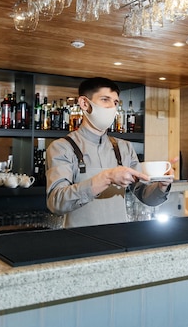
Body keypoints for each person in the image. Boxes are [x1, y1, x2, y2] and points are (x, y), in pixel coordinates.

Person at [46, 77, 174, 227]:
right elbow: (56, 203)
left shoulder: (124, 147)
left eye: (115, 103)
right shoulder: (62, 147)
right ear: (84, 103)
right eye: (105, 100)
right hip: (80, 241)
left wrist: (161, 186)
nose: (112, 108)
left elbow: (146, 196)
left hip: (119, 239)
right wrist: (107, 177)